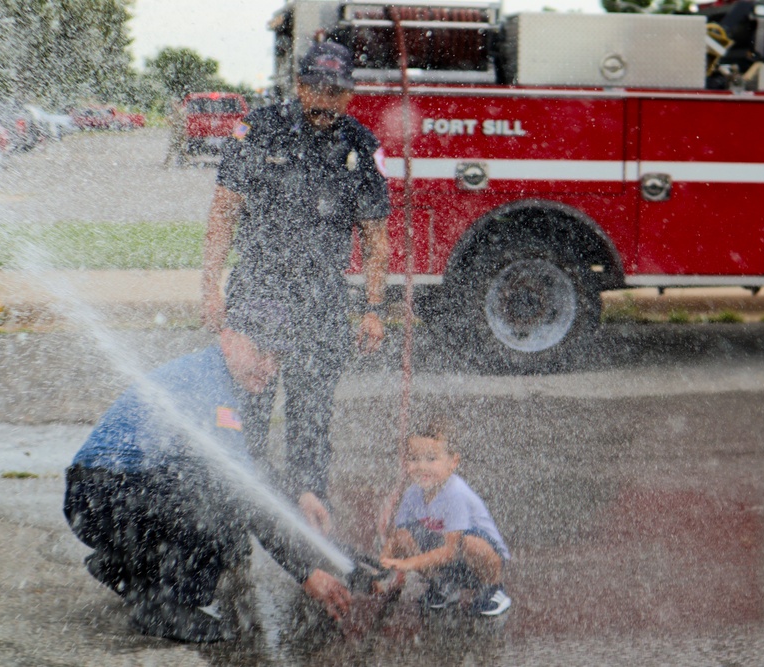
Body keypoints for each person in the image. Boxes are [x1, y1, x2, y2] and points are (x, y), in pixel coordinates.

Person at [63, 324, 358, 643]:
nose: (270, 368)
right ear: (228, 340)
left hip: (98, 499)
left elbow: (253, 470)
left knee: (214, 497)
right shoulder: (211, 389)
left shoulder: (216, 375)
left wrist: (299, 494)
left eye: (277, 359)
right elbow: (244, 493)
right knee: (221, 508)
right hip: (103, 497)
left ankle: (123, 567)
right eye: (260, 353)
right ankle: (165, 608)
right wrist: (306, 573)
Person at [201, 39, 391, 528]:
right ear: (300, 86)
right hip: (257, 294)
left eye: (337, 92)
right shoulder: (258, 131)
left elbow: (376, 239)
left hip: (322, 300)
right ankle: (236, 526)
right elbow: (223, 212)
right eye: (317, 89)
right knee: (247, 416)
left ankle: (310, 524)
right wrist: (209, 289)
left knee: (312, 420)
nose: (327, 101)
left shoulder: (361, 146)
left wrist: (374, 308)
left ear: (350, 95)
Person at [379, 417, 512, 617]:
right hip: (451, 563)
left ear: (453, 462)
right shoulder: (412, 494)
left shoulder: (455, 493)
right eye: (414, 459)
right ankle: (443, 584)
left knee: (469, 542)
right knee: (404, 537)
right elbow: (398, 536)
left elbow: (450, 551)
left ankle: (494, 589)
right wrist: (383, 562)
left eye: (431, 459)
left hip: (482, 560)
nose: (422, 466)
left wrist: (408, 564)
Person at [162, 98, 186, 168]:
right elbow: (169, 120)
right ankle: (167, 163)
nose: (173, 106)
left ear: (178, 103)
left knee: (180, 149)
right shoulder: (174, 111)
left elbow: (181, 121)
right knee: (173, 148)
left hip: (180, 132)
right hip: (175, 132)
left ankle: (184, 162)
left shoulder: (182, 111)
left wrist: (172, 120)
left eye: (174, 103)